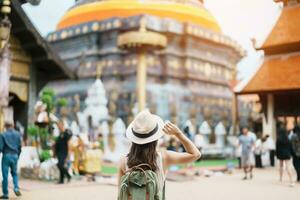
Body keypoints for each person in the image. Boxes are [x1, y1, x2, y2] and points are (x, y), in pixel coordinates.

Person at [118, 110, 201, 199]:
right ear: (155, 138)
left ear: (134, 138)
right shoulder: (163, 158)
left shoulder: (124, 161)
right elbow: (196, 154)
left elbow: (120, 194)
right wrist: (178, 134)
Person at [0, 121, 22, 199]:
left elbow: (1, 147)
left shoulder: (3, 134)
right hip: (15, 155)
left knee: (5, 176)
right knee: (14, 173)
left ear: (5, 126)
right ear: (13, 125)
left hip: (6, 156)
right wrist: (17, 156)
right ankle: (16, 188)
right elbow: (20, 147)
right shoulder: (18, 134)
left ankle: (5, 194)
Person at [54, 120, 72, 184]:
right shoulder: (60, 134)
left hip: (64, 152)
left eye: (59, 125)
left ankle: (68, 175)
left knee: (60, 165)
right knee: (60, 164)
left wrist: (69, 154)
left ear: (62, 125)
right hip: (59, 152)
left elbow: (68, 143)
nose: (58, 127)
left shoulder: (66, 133)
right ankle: (61, 180)